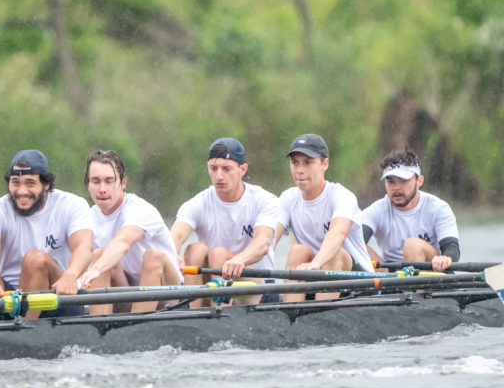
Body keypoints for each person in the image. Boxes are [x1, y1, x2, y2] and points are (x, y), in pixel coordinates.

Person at [0, 150, 93, 318]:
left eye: (30, 183)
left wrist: (71, 275)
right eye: (15, 183)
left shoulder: (72, 205)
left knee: (35, 260)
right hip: (8, 297)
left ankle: (22, 329)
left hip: (58, 295)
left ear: (46, 184)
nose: (22, 191)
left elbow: (83, 247)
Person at [170, 138, 282, 306]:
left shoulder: (264, 200)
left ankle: (221, 314)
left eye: (226, 169)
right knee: (194, 250)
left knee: (219, 255)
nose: (219, 176)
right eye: (213, 168)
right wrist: (172, 255)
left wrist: (239, 260)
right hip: (215, 281)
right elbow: (176, 235)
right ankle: (192, 313)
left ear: (242, 170)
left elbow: (263, 243)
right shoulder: (198, 202)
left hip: (258, 286)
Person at [76, 150, 181, 314]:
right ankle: (99, 325)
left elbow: (123, 242)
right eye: (96, 181)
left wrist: (95, 270)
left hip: (168, 295)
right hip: (127, 295)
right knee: (99, 254)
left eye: (109, 181)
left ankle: (137, 323)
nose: (102, 189)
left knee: (153, 256)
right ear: (88, 185)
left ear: (123, 183)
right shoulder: (87, 218)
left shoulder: (139, 208)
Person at [275, 133, 374, 302]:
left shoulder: (342, 196)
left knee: (333, 255)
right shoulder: (288, 198)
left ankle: (322, 312)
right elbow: (269, 239)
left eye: (308, 162)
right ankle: (292, 312)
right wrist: (242, 262)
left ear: (325, 164)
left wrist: (317, 262)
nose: (300, 170)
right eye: (295, 163)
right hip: (316, 278)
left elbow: (338, 233)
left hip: (358, 282)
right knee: (298, 251)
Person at [361, 150, 461, 272]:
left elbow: (452, 248)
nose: (396, 188)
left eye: (403, 180)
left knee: (412, 245)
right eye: (391, 181)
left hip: (432, 272)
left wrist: (446, 258)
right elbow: (356, 239)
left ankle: (414, 284)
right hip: (391, 273)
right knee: (350, 243)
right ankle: (394, 283)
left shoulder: (438, 208)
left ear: (419, 181)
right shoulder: (377, 210)